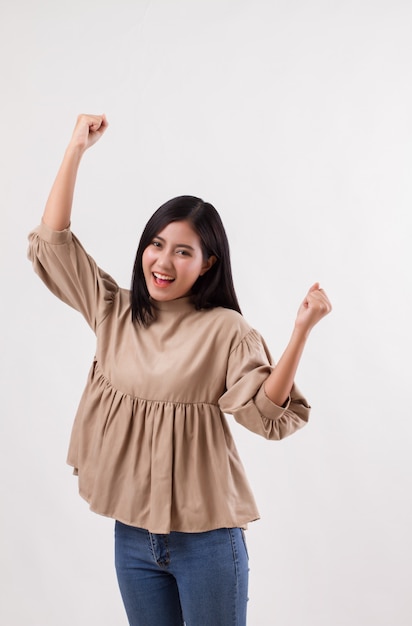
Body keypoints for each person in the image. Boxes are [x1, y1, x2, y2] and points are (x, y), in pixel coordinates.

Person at [28, 114, 332, 626]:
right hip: (131, 536)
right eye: (156, 244)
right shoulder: (113, 310)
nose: (163, 261)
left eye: (183, 251)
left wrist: (300, 331)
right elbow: (53, 244)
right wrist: (75, 147)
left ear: (208, 263)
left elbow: (264, 416)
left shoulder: (226, 331)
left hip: (209, 541)